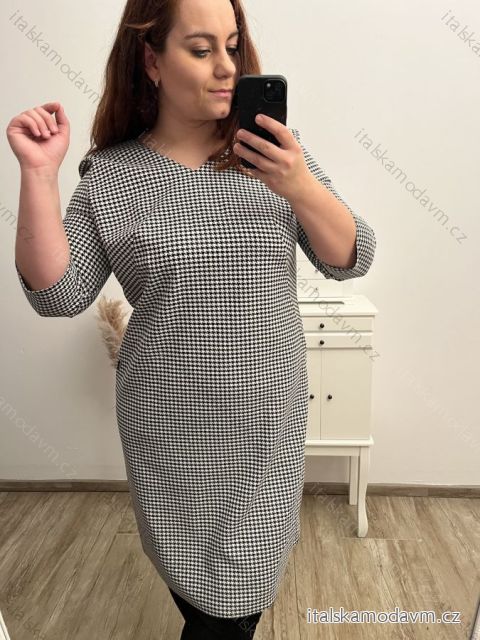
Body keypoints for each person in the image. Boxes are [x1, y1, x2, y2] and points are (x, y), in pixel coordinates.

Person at [6, 0, 376, 637]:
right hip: (167, 432)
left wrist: (298, 185)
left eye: (232, 47)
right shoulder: (112, 176)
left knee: (239, 597)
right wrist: (40, 174)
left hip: (266, 427)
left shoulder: (272, 155)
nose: (226, 67)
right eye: (202, 50)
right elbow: (58, 295)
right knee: (202, 596)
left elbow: (352, 257)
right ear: (151, 61)